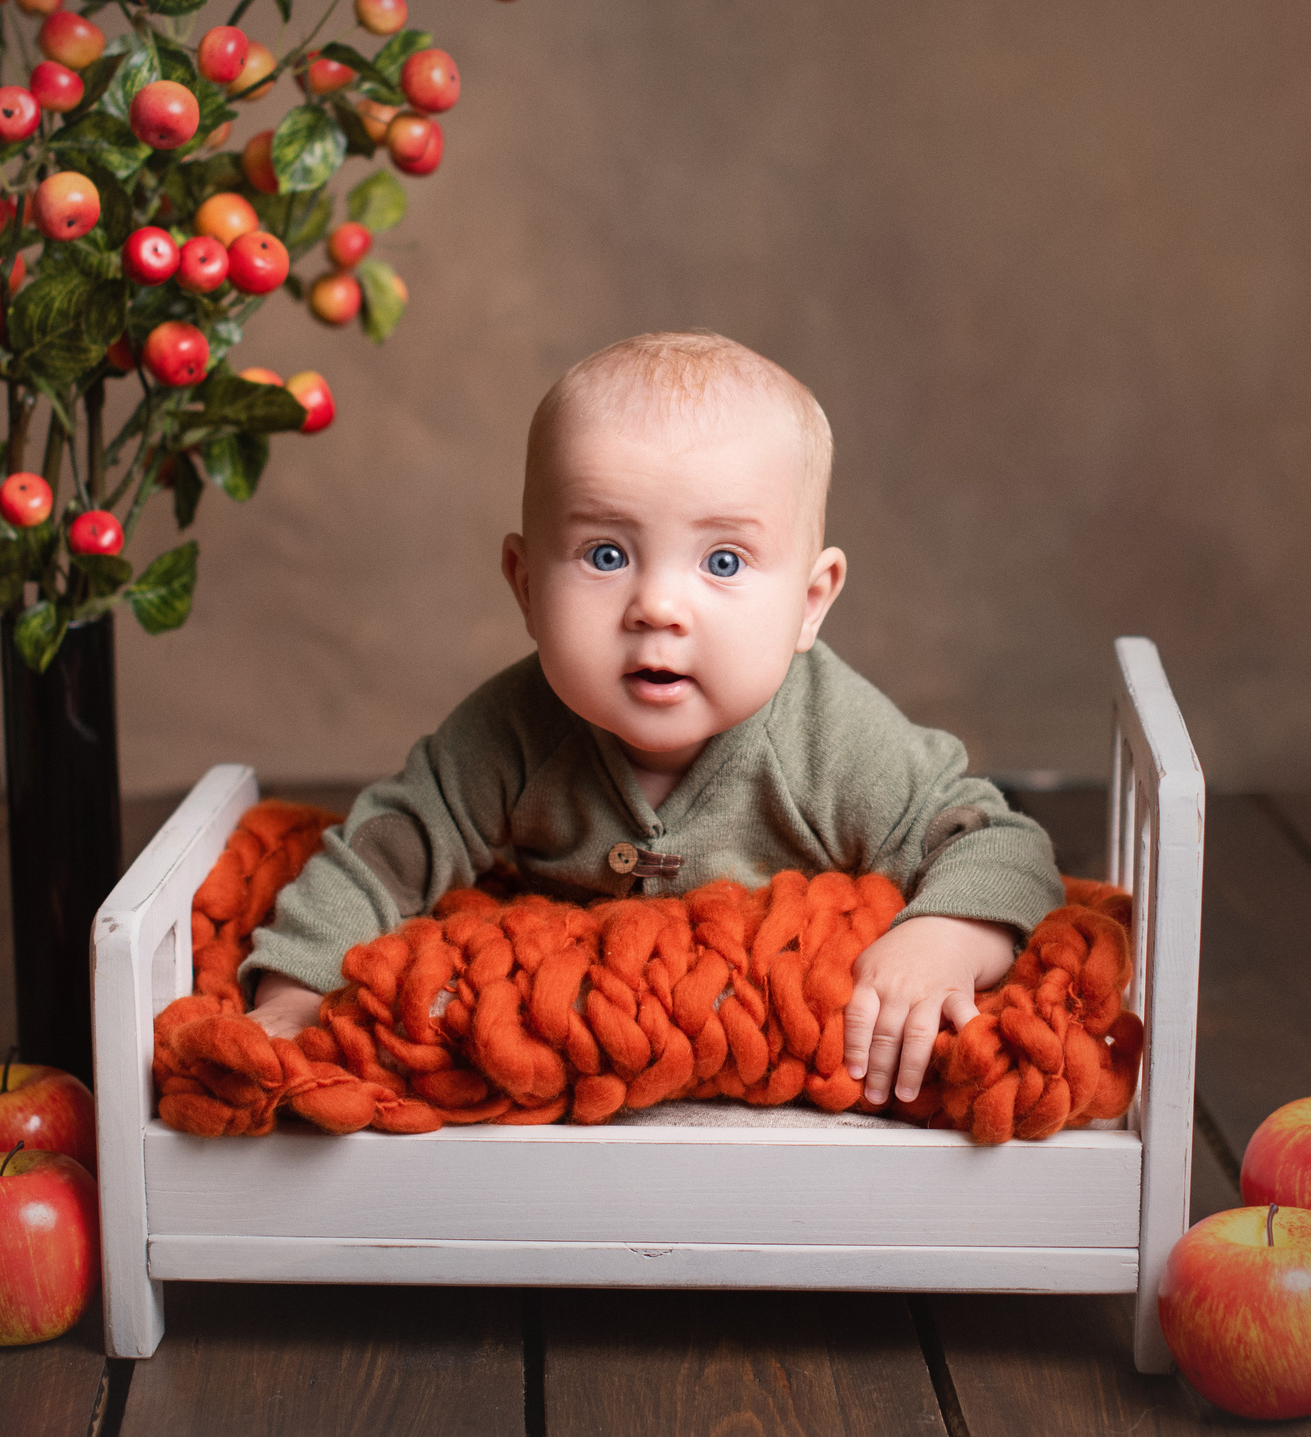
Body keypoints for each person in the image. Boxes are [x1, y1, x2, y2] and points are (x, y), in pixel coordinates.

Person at [242, 331, 1062, 1109]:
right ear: (525, 586)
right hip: (567, 1090)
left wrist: (947, 937)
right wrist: (294, 991)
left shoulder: (832, 737)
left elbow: (999, 841)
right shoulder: (511, 730)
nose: (659, 606)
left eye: (724, 561)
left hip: (774, 1092)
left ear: (810, 603)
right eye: (607, 554)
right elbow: (388, 846)